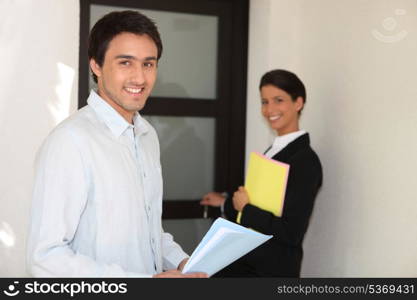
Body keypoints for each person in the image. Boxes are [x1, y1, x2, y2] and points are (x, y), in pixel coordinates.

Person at [27, 10, 206, 278]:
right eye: (125, 63)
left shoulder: (147, 136)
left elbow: (148, 230)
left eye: (148, 64)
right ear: (96, 66)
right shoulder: (70, 141)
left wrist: (182, 262)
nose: (140, 78)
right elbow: (45, 258)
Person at [201, 69, 322, 277]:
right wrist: (225, 202)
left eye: (278, 100)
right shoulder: (276, 150)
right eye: (264, 102)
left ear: (298, 103)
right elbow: (261, 204)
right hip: (251, 262)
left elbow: (291, 231)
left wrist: (245, 209)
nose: (269, 109)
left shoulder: (305, 161)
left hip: (272, 270)